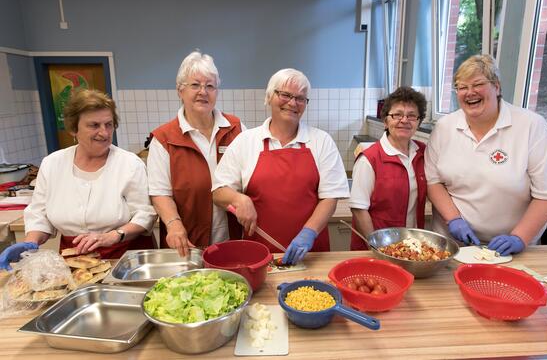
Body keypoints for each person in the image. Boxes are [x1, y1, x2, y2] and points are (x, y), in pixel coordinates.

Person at [425, 54, 547, 256]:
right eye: (462, 87)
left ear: (497, 87)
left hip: (513, 250)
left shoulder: (531, 126)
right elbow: (433, 181)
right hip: (454, 245)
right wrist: (453, 219)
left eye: (478, 84)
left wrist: (519, 237)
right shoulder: (444, 127)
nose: (469, 93)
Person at [0, 89, 157, 269]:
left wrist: (114, 235)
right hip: (73, 260)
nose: (104, 133)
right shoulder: (53, 164)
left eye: (109, 124)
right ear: (73, 128)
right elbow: (39, 214)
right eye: (94, 125)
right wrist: (29, 244)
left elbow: (145, 214)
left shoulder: (130, 164)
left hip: (125, 259)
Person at [211, 68, 349, 265]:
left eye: (300, 98)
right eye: (285, 95)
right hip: (258, 256)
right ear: (269, 97)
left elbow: (330, 197)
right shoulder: (246, 141)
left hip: (310, 255)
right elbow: (217, 192)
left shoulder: (321, 141)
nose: (293, 103)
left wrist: (308, 233)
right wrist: (238, 198)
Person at [147, 51, 244, 257]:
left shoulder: (237, 129)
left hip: (234, 239)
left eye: (210, 86)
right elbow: (159, 192)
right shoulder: (164, 138)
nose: (203, 92)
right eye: (195, 85)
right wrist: (173, 224)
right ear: (180, 91)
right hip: (187, 244)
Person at [349, 87, 427, 250]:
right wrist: (376, 247)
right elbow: (359, 208)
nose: (404, 120)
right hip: (378, 246)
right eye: (397, 115)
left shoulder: (423, 153)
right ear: (385, 121)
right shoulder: (370, 159)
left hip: (411, 246)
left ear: (418, 122)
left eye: (411, 115)